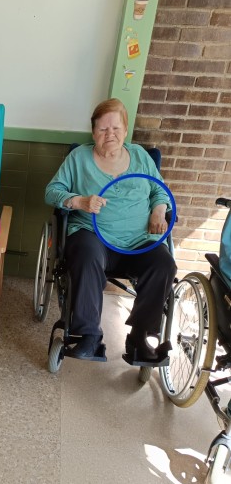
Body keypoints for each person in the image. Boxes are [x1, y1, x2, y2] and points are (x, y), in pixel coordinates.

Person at [45, 98, 177, 364]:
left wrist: (159, 210)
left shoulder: (140, 157)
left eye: (116, 128)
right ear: (93, 131)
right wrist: (79, 201)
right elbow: (51, 191)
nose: (110, 134)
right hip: (93, 235)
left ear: (125, 130)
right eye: (103, 129)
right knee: (85, 254)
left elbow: (159, 190)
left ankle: (139, 337)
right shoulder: (79, 158)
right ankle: (89, 335)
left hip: (139, 239)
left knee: (164, 264)